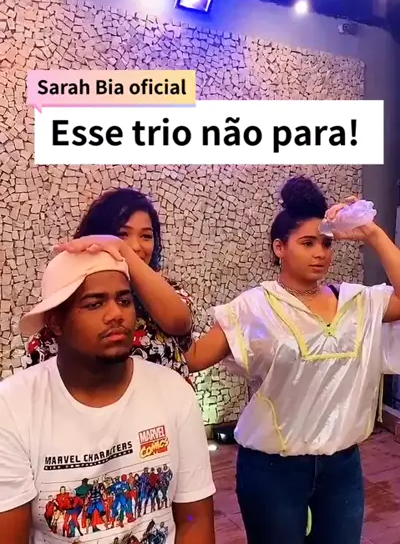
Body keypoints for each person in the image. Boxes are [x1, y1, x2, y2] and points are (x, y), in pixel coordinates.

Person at [184, 176, 400, 544]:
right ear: (279, 248)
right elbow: (193, 358)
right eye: (307, 243)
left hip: (342, 465)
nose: (321, 253)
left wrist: (372, 233)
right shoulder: (254, 306)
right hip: (273, 469)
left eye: (327, 243)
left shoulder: (357, 303)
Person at [0, 249, 216, 544]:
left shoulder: (173, 392)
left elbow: (195, 519)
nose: (116, 314)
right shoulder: (12, 406)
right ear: (56, 322)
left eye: (124, 301)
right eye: (94, 303)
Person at [24, 188, 194, 383]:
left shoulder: (168, 288)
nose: (136, 246)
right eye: (122, 234)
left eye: (146, 236)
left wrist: (120, 248)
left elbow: (179, 325)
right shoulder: (72, 288)